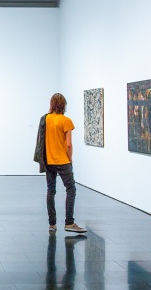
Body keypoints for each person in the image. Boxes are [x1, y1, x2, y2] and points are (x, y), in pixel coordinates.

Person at [40, 93, 86, 233]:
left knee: (51, 191)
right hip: (63, 160)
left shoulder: (45, 119)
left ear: (52, 104)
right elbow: (69, 144)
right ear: (64, 104)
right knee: (71, 189)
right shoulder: (66, 121)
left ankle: (52, 224)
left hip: (49, 160)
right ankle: (69, 223)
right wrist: (70, 158)